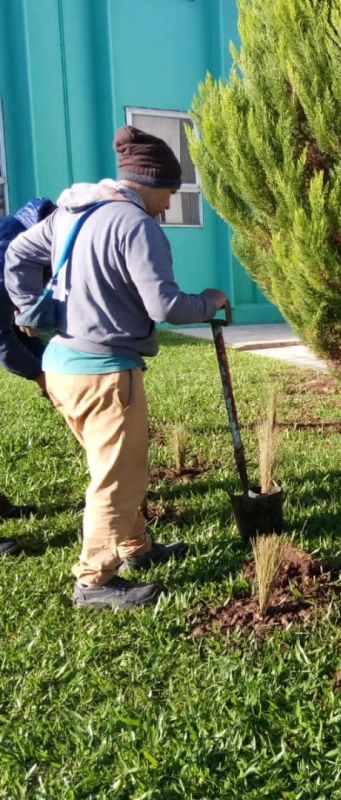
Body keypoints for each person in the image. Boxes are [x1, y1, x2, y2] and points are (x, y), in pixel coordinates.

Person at [4, 125, 228, 608]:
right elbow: (165, 306)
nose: (168, 205)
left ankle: (136, 548)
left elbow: (18, 253)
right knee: (118, 479)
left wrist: (28, 309)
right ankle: (94, 582)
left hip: (63, 366)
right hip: (105, 373)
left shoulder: (72, 213)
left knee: (113, 467)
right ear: (149, 182)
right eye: (170, 192)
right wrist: (209, 301)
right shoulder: (135, 225)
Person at [0, 197, 57, 556]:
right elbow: (3, 343)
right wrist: (42, 377)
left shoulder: (16, 234)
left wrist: (51, 363)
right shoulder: (8, 255)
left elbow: (18, 331)